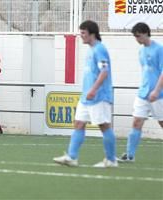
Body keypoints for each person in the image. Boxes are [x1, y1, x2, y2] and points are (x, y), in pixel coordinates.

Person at [53, 20, 118, 168]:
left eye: (83, 33)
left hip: (99, 96)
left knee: (104, 126)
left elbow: (104, 71)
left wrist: (94, 89)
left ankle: (111, 160)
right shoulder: (90, 50)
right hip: (86, 98)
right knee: (78, 124)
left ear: (92, 34)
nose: (81, 35)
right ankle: (71, 157)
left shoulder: (100, 49)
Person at [118, 22, 163, 163]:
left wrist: (156, 90)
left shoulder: (159, 49)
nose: (136, 39)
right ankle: (130, 155)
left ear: (145, 33)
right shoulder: (141, 51)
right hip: (143, 94)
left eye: (138, 36)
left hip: (158, 95)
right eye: (135, 37)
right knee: (137, 122)